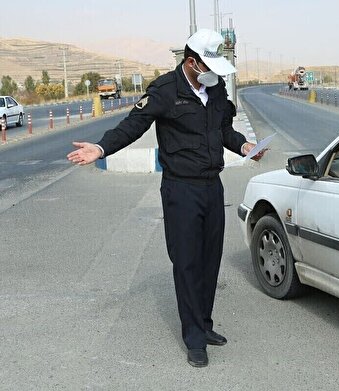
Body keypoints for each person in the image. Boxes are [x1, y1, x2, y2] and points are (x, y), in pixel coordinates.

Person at [66, 29, 264, 368]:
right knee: (187, 263)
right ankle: (194, 339)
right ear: (191, 62)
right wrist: (100, 148)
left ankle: (205, 323)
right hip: (181, 189)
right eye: (208, 65)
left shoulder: (215, 91)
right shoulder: (165, 91)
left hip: (212, 187)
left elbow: (224, 130)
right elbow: (133, 125)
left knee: (209, 260)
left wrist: (245, 146)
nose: (213, 73)